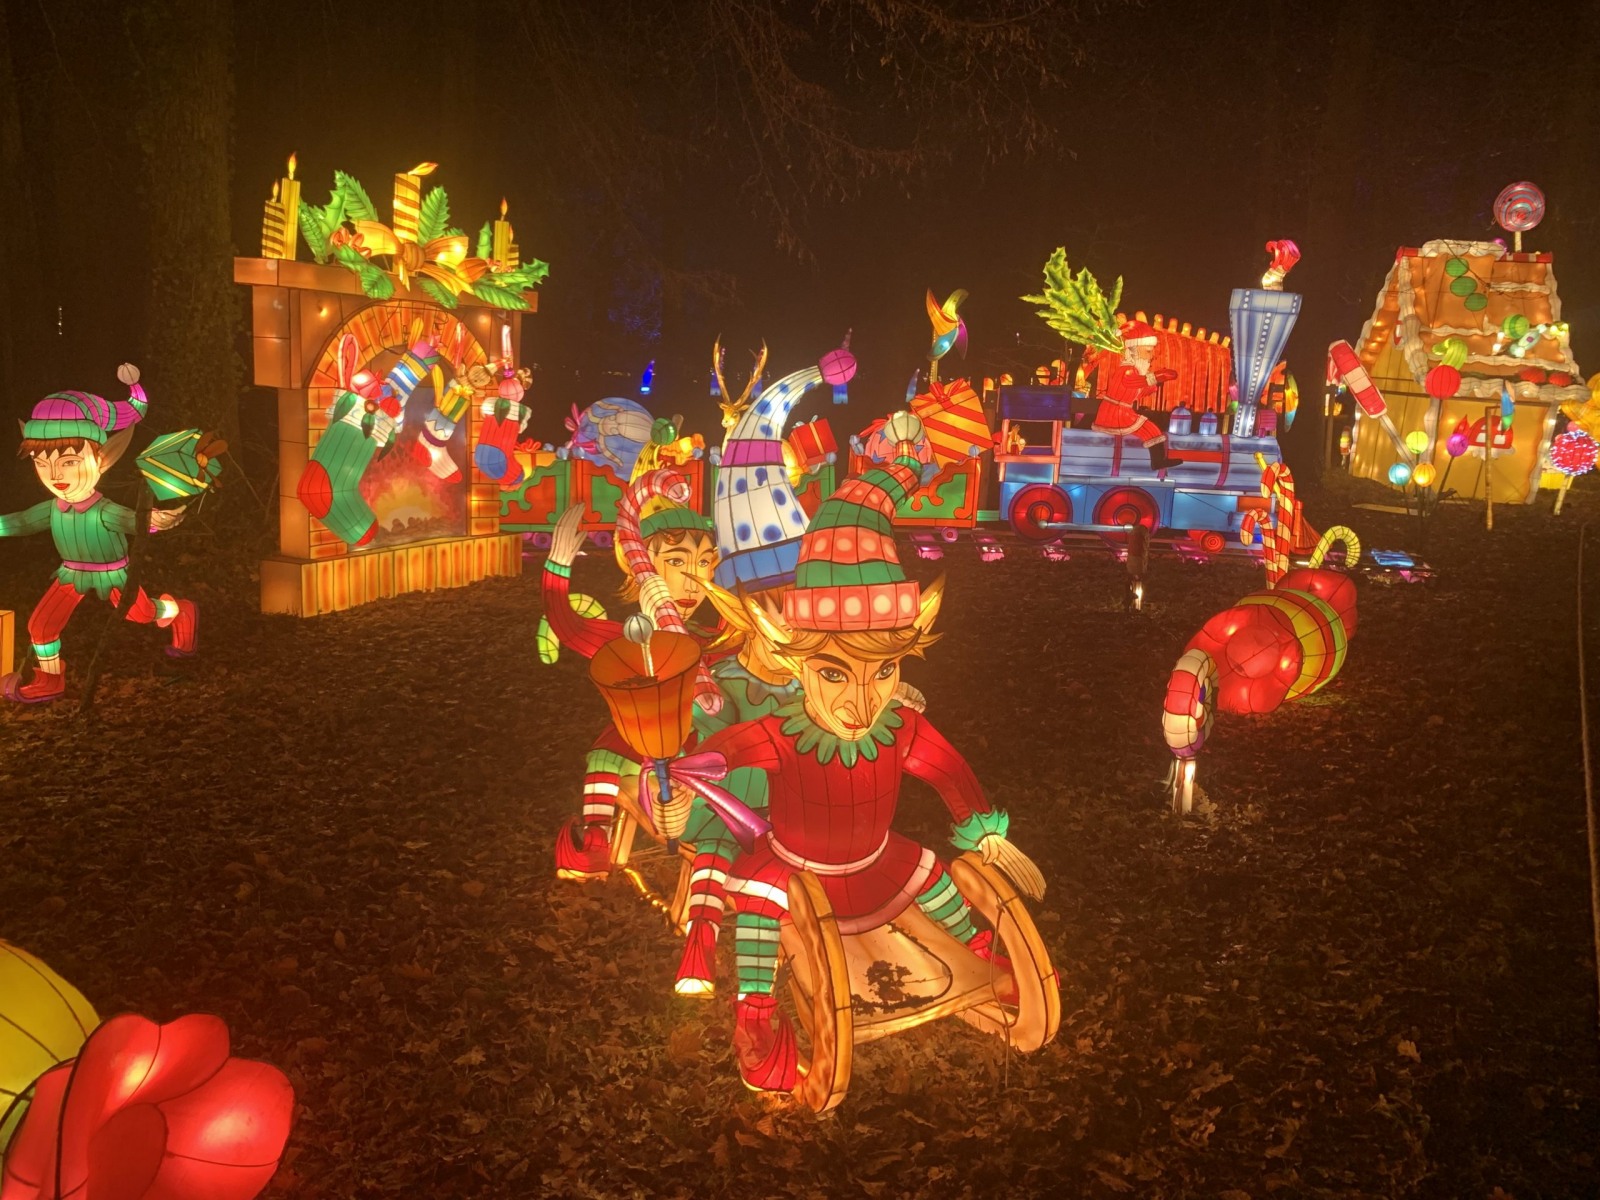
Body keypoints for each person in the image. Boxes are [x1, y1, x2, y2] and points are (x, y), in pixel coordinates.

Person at [696, 412, 1044, 1092]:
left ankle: (981, 954)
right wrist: (694, 768)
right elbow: (728, 749)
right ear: (797, 664)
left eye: (883, 671)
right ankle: (755, 1011)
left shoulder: (899, 727)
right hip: (796, 864)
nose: (862, 702)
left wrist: (984, 832)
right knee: (762, 904)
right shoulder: (782, 731)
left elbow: (951, 774)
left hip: (875, 859)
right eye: (834, 674)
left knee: (934, 874)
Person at [543, 489, 720, 880]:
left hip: (702, 748)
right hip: (641, 740)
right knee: (605, 756)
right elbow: (570, 628)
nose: (693, 582)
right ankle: (596, 841)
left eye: (705, 562)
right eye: (676, 561)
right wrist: (557, 566)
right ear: (642, 569)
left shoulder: (713, 639)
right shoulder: (629, 639)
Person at [0, 366, 196, 703]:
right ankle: (50, 679)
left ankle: (177, 611)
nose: (55, 475)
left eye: (69, 462)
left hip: (113, 574)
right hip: (71, 573)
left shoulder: (103, 510)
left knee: (142, 613)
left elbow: (135, 521)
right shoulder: (53, 508)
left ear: (102, 459)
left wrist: (156, 521)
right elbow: (20, 522)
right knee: (41, 625)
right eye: (42, 463)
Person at [1092, 318, 1184, 472]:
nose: (1151, 355)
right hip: (1115, 413)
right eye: (1148, 351)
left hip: (1122, 412)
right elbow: (1132, 382)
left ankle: (1158, 461)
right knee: (1149, 428)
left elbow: (1136, 392)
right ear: (1133, 351)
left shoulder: (1136, 370)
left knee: (1152, 430)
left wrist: (1156, 384)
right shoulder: (1127, 370)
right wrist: (1157, 376)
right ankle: (1158, 461)